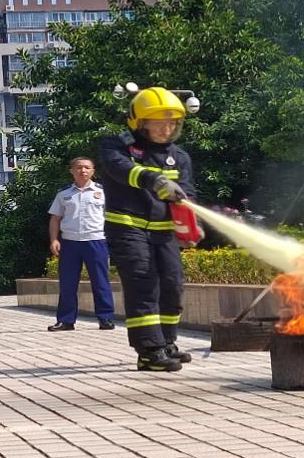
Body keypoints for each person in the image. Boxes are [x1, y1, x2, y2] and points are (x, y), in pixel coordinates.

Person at [99, 87, 196, 372]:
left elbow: (187, 193)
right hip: (128, 228)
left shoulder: (179, 157)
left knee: (172, 284)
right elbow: (120, 169)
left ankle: (167, 343)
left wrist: (192, 225)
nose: (167, 129)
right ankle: (149, 352)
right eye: (159, 123)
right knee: (143, 284)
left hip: (164, 232)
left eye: (172, 123)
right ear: (139, 122)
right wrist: (153, 180)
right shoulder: (117, 146)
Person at [47, 157, 116, 331]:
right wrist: (54, 239)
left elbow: (113, 218)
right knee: (67, 283)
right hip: (70, 243)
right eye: (78, 167)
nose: (82, 171)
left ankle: (105, 318)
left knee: (100, 281)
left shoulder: (103, 192)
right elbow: (55, 219)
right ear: (72, 171)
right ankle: (66, 320)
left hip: (96, 241)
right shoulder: (64, 194)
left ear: (93, 171)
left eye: (87, 167)